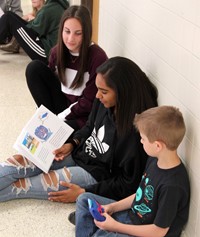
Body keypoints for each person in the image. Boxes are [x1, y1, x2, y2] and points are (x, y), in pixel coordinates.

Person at [0, 56, 158, 204]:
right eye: (98, 89)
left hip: (95, 175)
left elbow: (127, 184)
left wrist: (85, 191)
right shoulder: (104, 102)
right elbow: (89, 126)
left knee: (23, 185)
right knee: (18, 162)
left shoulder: (137, 132)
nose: (97, 96)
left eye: (104, 92)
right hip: (79, 154)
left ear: (123, 92)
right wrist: (73, 143)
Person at [75, 105, 190, 237]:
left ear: (157, 146)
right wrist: (112, 207)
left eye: (143, 138)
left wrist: (115, 226)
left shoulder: (172, 185)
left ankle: (97, 228)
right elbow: (140, 195)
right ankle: (97, 228)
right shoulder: (154, 160)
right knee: (84, 199)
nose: (141, 141)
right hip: (131, 216)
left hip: (145, 232)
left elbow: (158, 232)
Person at [26, 5, 108, 131]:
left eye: (78, 33)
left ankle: (52, 124)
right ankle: (47, 120)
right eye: (67, 31)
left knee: (61, 135)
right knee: (34, 68)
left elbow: (90, 102)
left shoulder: (97, 57)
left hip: (83, 116)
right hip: (61, 108)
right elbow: (48, 89)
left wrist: (60, 118)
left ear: (86, 33)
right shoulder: (56, 52)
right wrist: (43, 114)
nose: (70, 39)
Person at [0, 0, 69, 63]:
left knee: (8, 18)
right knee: (9, 16)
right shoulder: (57, 5)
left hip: (46, 53)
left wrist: (17, 26)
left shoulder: (51, 8)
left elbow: (33, 30)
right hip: (51, 50)